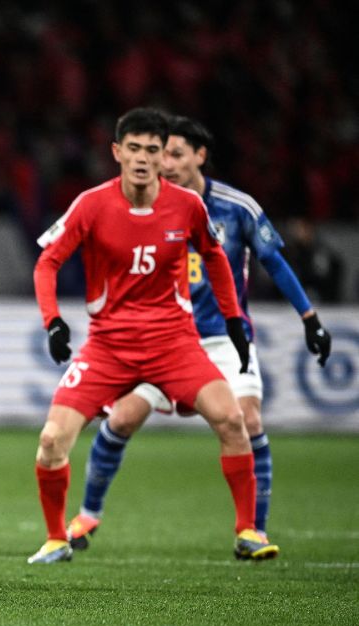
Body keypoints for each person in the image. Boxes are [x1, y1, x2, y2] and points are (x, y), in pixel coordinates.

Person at [66, 115, 332, 553]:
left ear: (199, 156)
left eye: (173, 153)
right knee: (122, 419)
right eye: (158, 153)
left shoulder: (236, 207)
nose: (163, 162)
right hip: (164, 339)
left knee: (245, 420)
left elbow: (275, 263)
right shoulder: (144, 204)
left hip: (222, 338)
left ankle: (253, 531)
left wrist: (310, 318)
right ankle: (88, 516)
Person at [27, 107, 275, 565]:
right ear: (117, 152)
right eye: (135, 148)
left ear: (165, 157)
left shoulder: (186, 205)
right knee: (50, 440)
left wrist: (234, 319)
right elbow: (47, 262)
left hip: (173, 343)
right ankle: (56, 538)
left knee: (233, 420)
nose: (143, 158)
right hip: (109, 347)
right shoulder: (91, 204)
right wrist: (53, 321)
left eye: (153, 150)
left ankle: (248, 531)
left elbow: (216, 258)